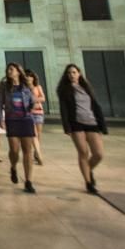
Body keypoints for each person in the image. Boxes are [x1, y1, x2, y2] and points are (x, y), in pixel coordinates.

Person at [57, 63, 107, 194]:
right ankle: (88, 182)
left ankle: (88, 169)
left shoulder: (86, 88)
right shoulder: (64, 90)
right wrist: (66, 126)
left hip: (92, 122)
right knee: (83, 152)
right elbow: (64, 110)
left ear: (79, 73)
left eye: (74, 72)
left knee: (99, 154)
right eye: (69, 73)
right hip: (76, 123)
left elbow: (96, 106)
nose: (71, 75)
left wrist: (102, 125)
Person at [0, 62, 36, 193]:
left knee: (27, 150)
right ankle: (13, 167)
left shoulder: (26, 85)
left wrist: (31, 108)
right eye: (8, 69)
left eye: (12, 69)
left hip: (26, 119)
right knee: (14, 149)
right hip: (11, 119)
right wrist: (0, 119)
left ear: (18, 72)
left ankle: (28, 181)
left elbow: (33, 100)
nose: (9, 71)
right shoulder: (4, 85)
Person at [25, 69, 46, 165]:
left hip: (38, 112)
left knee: (39, 134)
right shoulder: (23, 88)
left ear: (33, 78)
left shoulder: (38, 87)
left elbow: (43, 98)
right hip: (28, 113)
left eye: (30, 76)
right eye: (26, 76)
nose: (28, 77)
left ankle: (36, 153)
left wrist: (33, 99)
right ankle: (38, 153)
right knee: (34, 134)